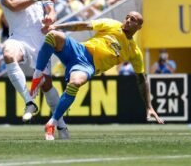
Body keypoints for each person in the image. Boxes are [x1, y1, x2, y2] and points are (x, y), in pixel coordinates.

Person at [30, 11, 164, 140]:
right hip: (78, 50)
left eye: (133, 20)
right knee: (53, 35)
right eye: (127, 17)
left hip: (87, 65)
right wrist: (57, 26)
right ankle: (38, 75)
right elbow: (84, 25)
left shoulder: (134, 52)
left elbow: (141, 79)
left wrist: (149, 106)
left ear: (139, 27)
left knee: (75, 83)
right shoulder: (112, 25)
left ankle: (52, 123)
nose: (128, 20)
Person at [0, 0, 69, 138]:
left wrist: (50, 19)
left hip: (40, 41)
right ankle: (29, 102)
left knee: (46, 85)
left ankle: (61, 126)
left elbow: (50, 11)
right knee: (8, 53)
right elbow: (13, 6)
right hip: (18, 37)